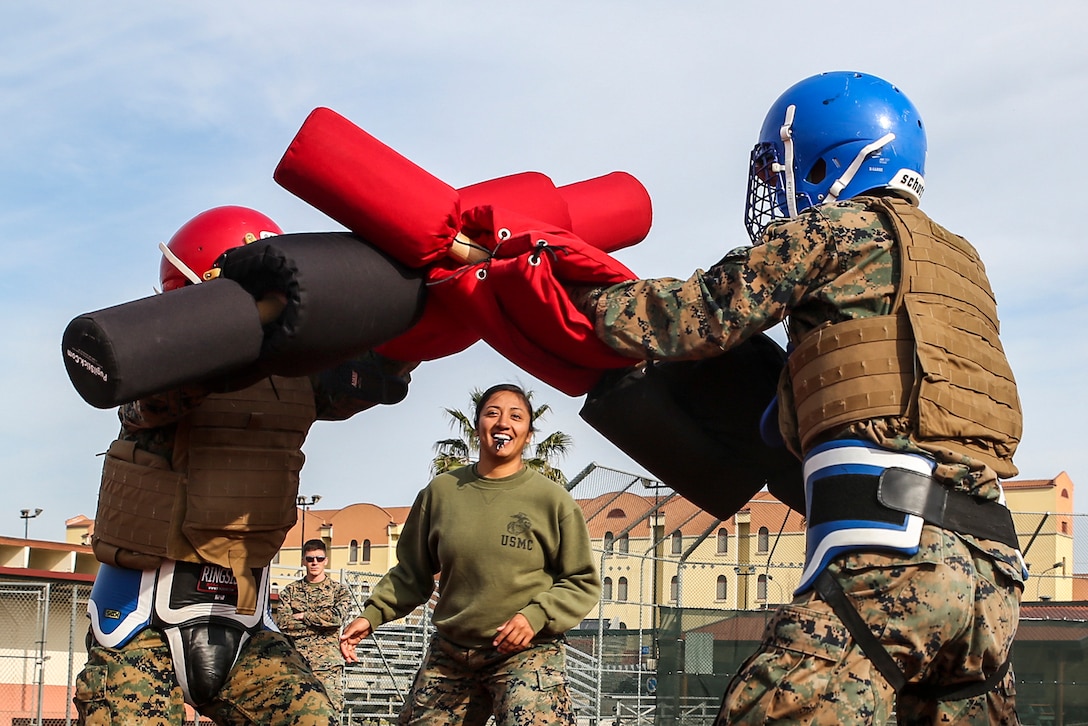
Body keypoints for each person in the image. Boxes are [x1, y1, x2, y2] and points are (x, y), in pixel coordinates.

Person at [572, 71, 1025, 724]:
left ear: (823, 157)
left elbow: (696, 315)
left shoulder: (833, 229)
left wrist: (582, 297)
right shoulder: (961, 263)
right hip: (992, 573)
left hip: (891, 559)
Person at [74, 206, 416, 726]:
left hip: (241, 617)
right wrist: (247, 318)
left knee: (311, 717)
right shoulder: (154, 372)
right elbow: (156, 399)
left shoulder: (294, 379)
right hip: (139, 623)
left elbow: (372, 378)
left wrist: (422, 307)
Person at [338, 383, 601, 726]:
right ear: (478, 427)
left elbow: (580, 581)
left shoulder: (552, 501)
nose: (503, 422)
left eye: (516, 416)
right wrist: (371, 616)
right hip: (452, 651)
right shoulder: (441, 493)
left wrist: (534, 617)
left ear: (529, 434)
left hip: (526, 653)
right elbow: (412, 573)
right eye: (492, 413)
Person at [275, 539, 355, 714]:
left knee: (329, 714)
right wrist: (322, 626)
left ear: (326, 560)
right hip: (297, 664)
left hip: (327, 668)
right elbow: (283, 623)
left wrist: (305, 616)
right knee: (295, 714)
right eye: (310, 558)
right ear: (303, 560)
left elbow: (337, 618)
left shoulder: (338, 591)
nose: (314, 563)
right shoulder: (290, 591)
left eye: (319, 558)